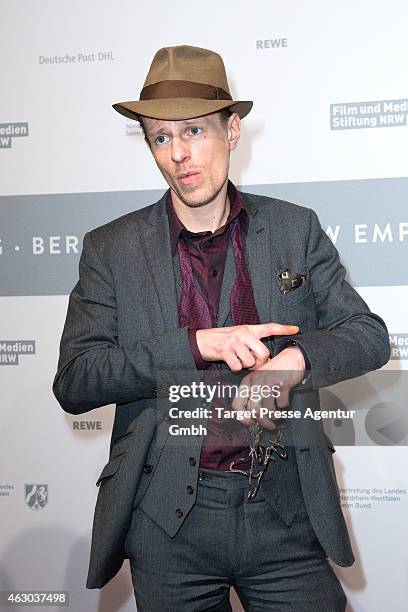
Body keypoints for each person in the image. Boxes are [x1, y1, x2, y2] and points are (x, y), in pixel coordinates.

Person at [53, 45, 390, 611]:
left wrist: (293, 361)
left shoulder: (293, 229)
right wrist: (190, 346)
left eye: (195, 131)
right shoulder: (111, 249)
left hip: (285, 515)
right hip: (167, 526)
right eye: (161, 137)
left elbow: (369, 334)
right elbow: (76, 379)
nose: (180, 154)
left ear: (232, 131)